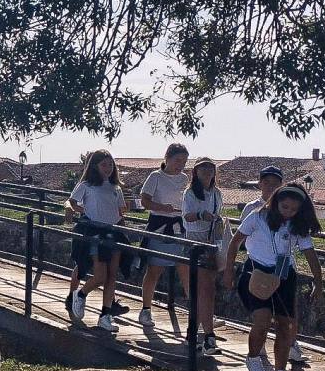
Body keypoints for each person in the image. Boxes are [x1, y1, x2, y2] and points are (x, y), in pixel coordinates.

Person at [222, 184, 325, 371]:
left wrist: (318, 281)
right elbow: (235, 242)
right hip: (256, 272)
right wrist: (229, 271)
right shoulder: (257, 217)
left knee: (285, 324)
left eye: (293, 209)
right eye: (284, 207)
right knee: (262, 321)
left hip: (283, 275)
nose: (288, 212)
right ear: (276, 202)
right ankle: (253, 359)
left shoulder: (297, 225)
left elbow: (309, 252)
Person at [240, 165, 306, 365]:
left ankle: (290, 345)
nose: (270, 186)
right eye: (266, 182)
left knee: (286, 312)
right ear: (260, 184)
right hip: (260, 265)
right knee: (262, 312)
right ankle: (257, 351)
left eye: (275, 183)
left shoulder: (290, 211)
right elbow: (242, 237)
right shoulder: (254, 210)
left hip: (283, 266)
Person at [65, 150, 129, 330]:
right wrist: (72, 209)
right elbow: (71, 201)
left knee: (112, 275)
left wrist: (123, 223)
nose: (108, 168)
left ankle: (105, 315)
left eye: (110, 165)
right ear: (95, 166)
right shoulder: (87, 185)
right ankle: (80, 294)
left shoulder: (116, 187)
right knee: (100, 276)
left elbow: (120, 211)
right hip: (95, 232)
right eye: (104, 165)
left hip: (113, 232)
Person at [137, 143, 192, 327]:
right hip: (159, 226)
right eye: (177, 160)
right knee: (154, 270)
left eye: (184, 162)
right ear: (167, 158)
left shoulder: (185, 178)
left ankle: (196, 312)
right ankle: (146, 309)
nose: (180, 165)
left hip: (179, 227)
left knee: (185, 269)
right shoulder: (155, 176)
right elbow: (145, 201)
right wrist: (162, 207)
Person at [183, 157, 225, 355]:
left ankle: (195, 333)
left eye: (210, 168)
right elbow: (187, 216)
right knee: (205, 290)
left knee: (207, 290)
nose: (207, 171)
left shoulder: (217, 193)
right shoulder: (190, 192)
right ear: (196, 172)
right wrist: (202, 215)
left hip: (211, 241)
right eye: (203, 168)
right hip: (196, 241)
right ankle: (207, 335)